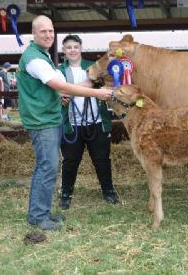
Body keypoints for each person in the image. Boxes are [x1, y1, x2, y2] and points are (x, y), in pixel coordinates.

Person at [17, 15, 113, 231]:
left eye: (51, 31)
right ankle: (39, 216)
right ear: (34, 33)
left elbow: (52, 89)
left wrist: (57, 97)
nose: (48, 35)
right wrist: (96, 93)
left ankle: (40, 213)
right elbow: (61, 85)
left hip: (48, 117)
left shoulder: (42, 55)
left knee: (46, 167)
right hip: (43, 121)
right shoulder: (35, 59)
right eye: (43, 31)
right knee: (47, 167)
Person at [58, 34, 119, 209]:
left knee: (102, 159)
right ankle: (66, 194)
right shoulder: (59, 71)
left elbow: (101, 84)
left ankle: (108, 191)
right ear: (64, 50)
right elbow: (57, 92)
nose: (72, 50)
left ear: (81, 48)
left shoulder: (93, 67)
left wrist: (70, 90)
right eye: (68, 47)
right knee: (70, 161)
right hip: (72, 124)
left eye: (75, 47)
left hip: (96, 120)